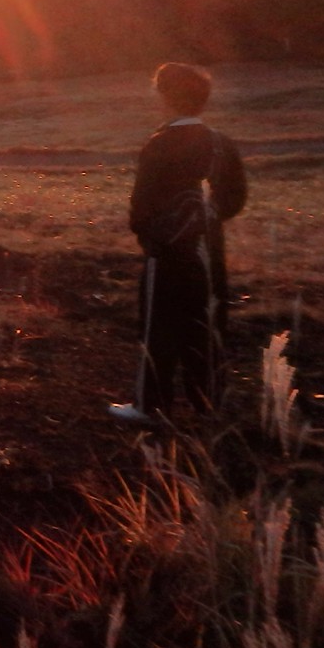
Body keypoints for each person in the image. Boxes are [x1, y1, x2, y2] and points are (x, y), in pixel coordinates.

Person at [110, 62, 248, 423]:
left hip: (166, 252)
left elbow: (141, 207)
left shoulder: (159, 143)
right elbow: (234, 200)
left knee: (158, 326)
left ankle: (149, 405)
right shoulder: (221, 144)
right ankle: (208, 402)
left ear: (165, 96)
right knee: (208, 321)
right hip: (210, 248)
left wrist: (151, 238)